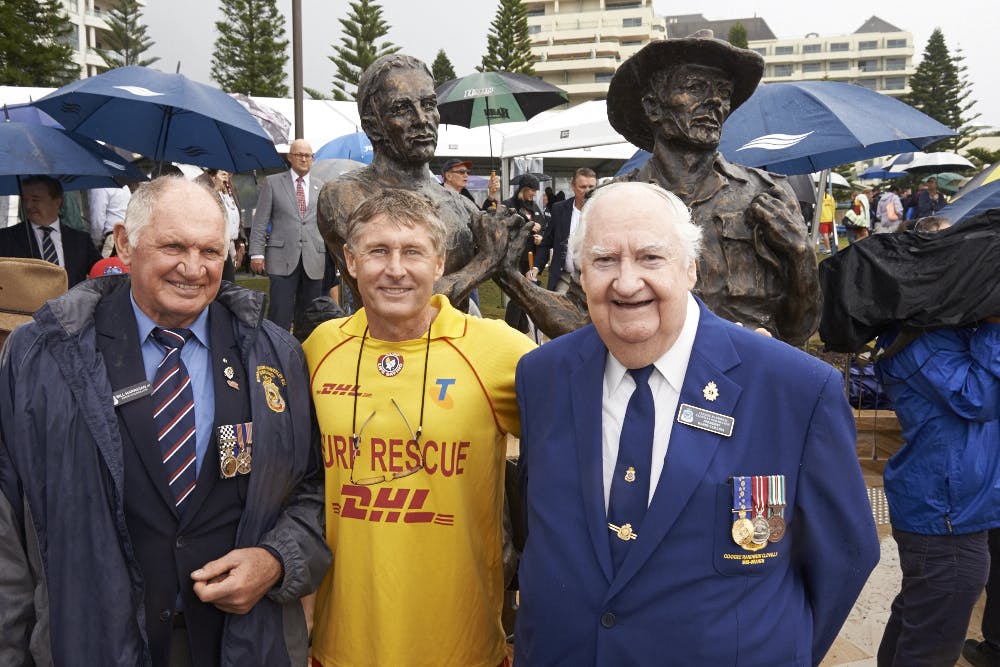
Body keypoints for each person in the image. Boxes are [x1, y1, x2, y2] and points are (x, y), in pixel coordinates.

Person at [513, 181, 879, 665]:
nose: (625, 282)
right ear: (581, 273)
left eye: (650, 258)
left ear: (690, 268)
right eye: (604, 260)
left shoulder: (794, 389)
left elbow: (845, 555)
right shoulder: (542, 376)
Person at [0, 176, 330, 666]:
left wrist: (277, 560)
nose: (192, 269)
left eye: (210, 252)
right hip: (93, 642)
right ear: (125, 242)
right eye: (174, 246)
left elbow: (315, 489)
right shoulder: (43, 356)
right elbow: (8, 524)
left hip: (238, 644)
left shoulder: (276, 356)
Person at [302, 188, 534, 667]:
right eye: (377, 251)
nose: (395, 269)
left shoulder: (498, 351)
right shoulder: (319, 348)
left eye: (413, 252)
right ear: (349, 259)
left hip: (460, 645)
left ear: (440, 261)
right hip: (342, 642)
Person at [608, 31, 820, 344]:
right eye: (695, 88)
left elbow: (799, 330)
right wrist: (514, 279)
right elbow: (587, 317)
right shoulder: (617, 201)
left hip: (747, 371)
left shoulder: (767, 194)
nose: (715, 102)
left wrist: (801, 257)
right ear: (653, 108)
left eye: (723, 91)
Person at [317, 54, 523, 315]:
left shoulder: (463, 207)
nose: (421, 119)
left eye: (428, 105)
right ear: (374, 126)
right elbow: (398, 298)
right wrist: (484, 263)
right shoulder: (345, 196)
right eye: (402, 109)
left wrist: (507, 255)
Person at [249, 139, 328, 332]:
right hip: (281, 257)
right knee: (279, 312)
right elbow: (260, 221)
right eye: (299, 155)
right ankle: (276, 353)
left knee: (310, 314)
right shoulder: (273, 182)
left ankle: (306, 353)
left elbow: (326, 223)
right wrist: (256, 253)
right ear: (290, 157)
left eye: (307, 155)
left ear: (313, 159)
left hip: (314, 258)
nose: (303, 159)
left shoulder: (322, 186)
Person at [0, 175, 101, 287]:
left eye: (35, 199)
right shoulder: (6, 238)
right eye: (25, 200)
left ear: (57, 202)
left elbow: (101, 274)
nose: (28, 206)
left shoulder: (81, 240)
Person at [529, 167, 598, 292]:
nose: (587, 191)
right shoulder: (559, 209)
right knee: (557, 311)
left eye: (591, 187)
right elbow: (546, 243)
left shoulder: (604, 211)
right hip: (565, 277)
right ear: (573, 186)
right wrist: (536, 268)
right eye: (582, 187)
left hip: (595, 279)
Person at [196, 168, 245, 281]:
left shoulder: (230, 185)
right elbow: (199, 211)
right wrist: (215, 189)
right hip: (213, 246)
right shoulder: (200, 182)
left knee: (228, 285)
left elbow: (236, 214)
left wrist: (241, 242)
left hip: (230, 245)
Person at [88, 184, 131, 256]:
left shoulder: (99, 187)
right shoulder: (124, 186)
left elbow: (97, 221)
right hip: (128, 236)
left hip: (112, 239)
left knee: (104, 266)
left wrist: (95, 243)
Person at [819, 189, 836, 254]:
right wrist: (833, 217)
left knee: (825, 235)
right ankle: (828, 246)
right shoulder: (831, 197)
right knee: (828, 234)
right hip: (830, 218)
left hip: (823, 219)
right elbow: (833, 208)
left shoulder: (819, 198)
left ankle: (828, 250)